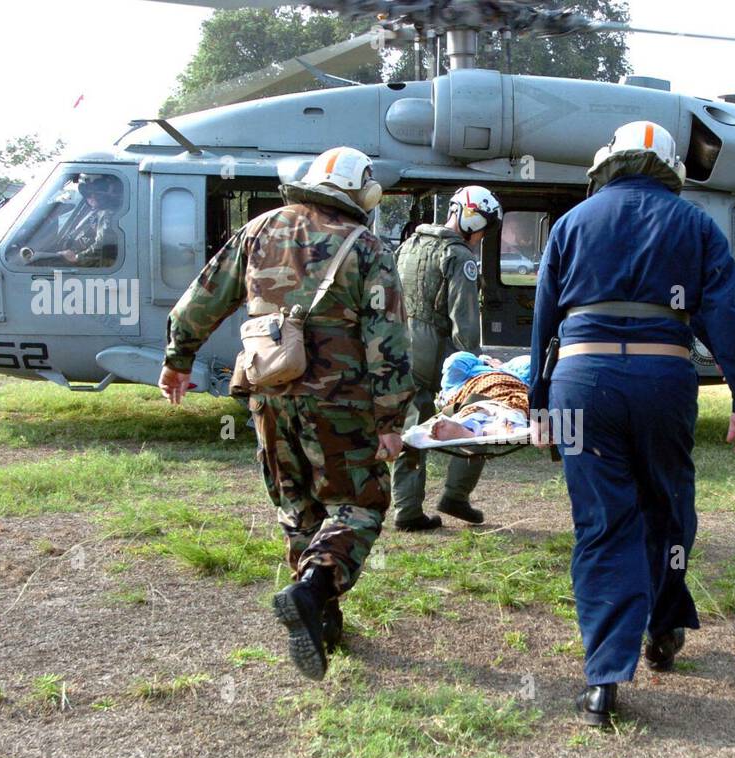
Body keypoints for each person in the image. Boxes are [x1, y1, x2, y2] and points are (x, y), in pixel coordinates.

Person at [528, 120, 735, 726]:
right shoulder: (696, 225)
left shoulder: (571, 225)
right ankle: (664, 627)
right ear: (669, 170)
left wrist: (537, 403)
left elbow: (543, 319)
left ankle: (603, 677)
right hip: (664, 383)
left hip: (578, 388)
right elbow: (728, 312)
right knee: (668, 507)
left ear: (609, 163)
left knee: (601, 523)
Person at [158, 146, 413, 681]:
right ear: (363, 193)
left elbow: (200, 301)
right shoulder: (366, 247)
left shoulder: (259, 230)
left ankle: (323, 622)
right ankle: (312, 589)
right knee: (360, 503)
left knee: (297, 505)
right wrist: (391, 421)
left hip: (267, 393)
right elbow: (386, 341)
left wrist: (178, 360)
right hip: (340, 402)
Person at [391, 185, 503, 530]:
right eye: (484, 227)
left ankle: (407, 509)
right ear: (472, 218)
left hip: (400, 345)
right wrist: (474, 366)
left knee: (410, 427)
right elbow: (465, 323)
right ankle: (456, 495)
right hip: (435, 350)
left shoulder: (409, 244)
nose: (483, 236)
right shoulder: (460, 257)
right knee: (478, 414)